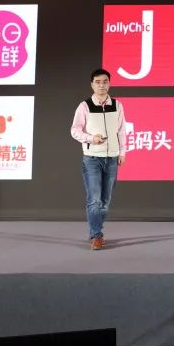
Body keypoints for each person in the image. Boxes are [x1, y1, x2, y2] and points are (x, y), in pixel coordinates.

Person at [70, 68, 126, 250]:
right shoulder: (84, 106)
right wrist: (91, 138)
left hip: (112, 158)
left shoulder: (117, 105)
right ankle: (96, 236)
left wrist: (122, 152)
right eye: (98, 82)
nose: (102, 85)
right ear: (92, 85)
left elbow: (121, 131)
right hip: (92, 158)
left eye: (105, 82)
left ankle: (96, 230)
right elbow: (75, 130)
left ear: (109, 84)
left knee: (105, 201)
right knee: (94, 199)